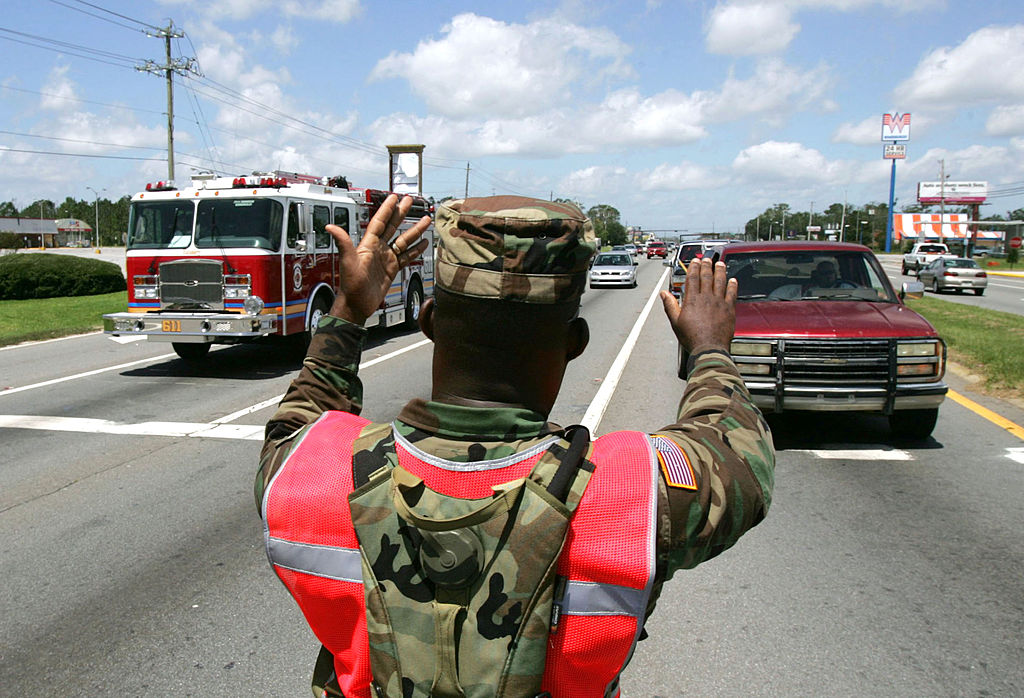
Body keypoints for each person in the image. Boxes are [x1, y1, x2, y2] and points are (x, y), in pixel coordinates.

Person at [257, 194, 775, 698]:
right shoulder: (634, 493)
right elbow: (739, 455)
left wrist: (347, 313)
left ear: (430, 323)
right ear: (575, 343)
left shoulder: (309, 472)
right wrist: (709, 350)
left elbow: (298, 419)